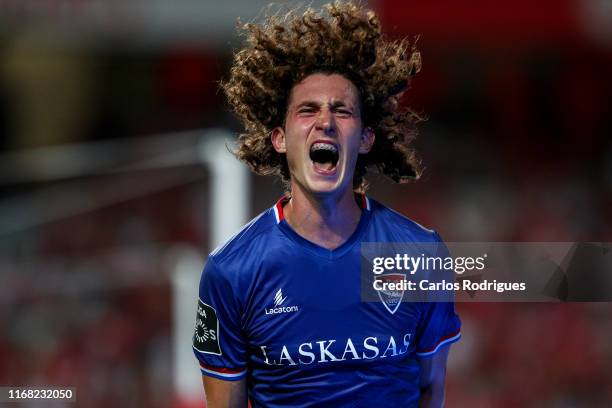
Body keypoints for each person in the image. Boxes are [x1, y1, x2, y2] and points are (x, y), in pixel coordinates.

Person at [192, 2, 461, 407]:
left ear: (366, 138)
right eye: (308, 110)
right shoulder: (231, 272)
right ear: (280, 139)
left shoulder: (419, 254)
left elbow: (431, 390)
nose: (326, 122)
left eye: (342, 110)